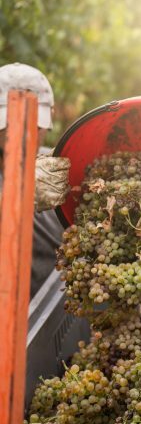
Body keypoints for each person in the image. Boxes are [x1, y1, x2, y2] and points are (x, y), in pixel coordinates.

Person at [0, 62, 70, 297]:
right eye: (7, 122)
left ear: (49, 116)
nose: (20, 130)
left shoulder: (62, 167)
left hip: (56, 310)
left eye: (35, 122)